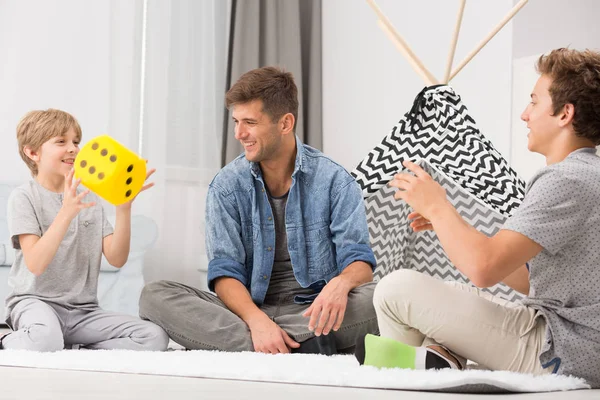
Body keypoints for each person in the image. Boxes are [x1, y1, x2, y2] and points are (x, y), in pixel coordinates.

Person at [356, 48, 600, 387]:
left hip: (560, 351)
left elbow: (484, 269)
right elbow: (532, 279)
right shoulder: (587, 173)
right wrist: (450, 221)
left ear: (564, 114)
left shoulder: (565, 179)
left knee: (394, 289)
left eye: (534, 102)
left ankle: (409, 379)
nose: (524, 115)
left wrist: (439, 208)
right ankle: (437, 361)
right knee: (452, 290)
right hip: (573, 344)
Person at [140, 66, 378, 354]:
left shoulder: (335, 181)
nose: (240, 133)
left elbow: (359, 261)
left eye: (250, 122)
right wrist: (256, 320)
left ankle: (265, 347)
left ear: (285, 123)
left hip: (314, 311)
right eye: (236, 121)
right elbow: (225, 273)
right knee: (154, 296)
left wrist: (341, 284)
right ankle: (299, 346)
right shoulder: (226, 186)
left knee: (384, 296)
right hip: (247, 311)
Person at [0, 109, 169, 352]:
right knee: (44, 339)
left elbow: (117, 258)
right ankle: (6, 341)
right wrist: (66, 212)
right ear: (32, 152)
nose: (73, 148)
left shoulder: (89, 198)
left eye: (76, 142)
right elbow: (35, 264)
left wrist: (123, 208)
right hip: (35, 303)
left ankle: (80, 349)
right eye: (61, 141)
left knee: (154, 337)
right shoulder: (24, 197)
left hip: (83, 311)